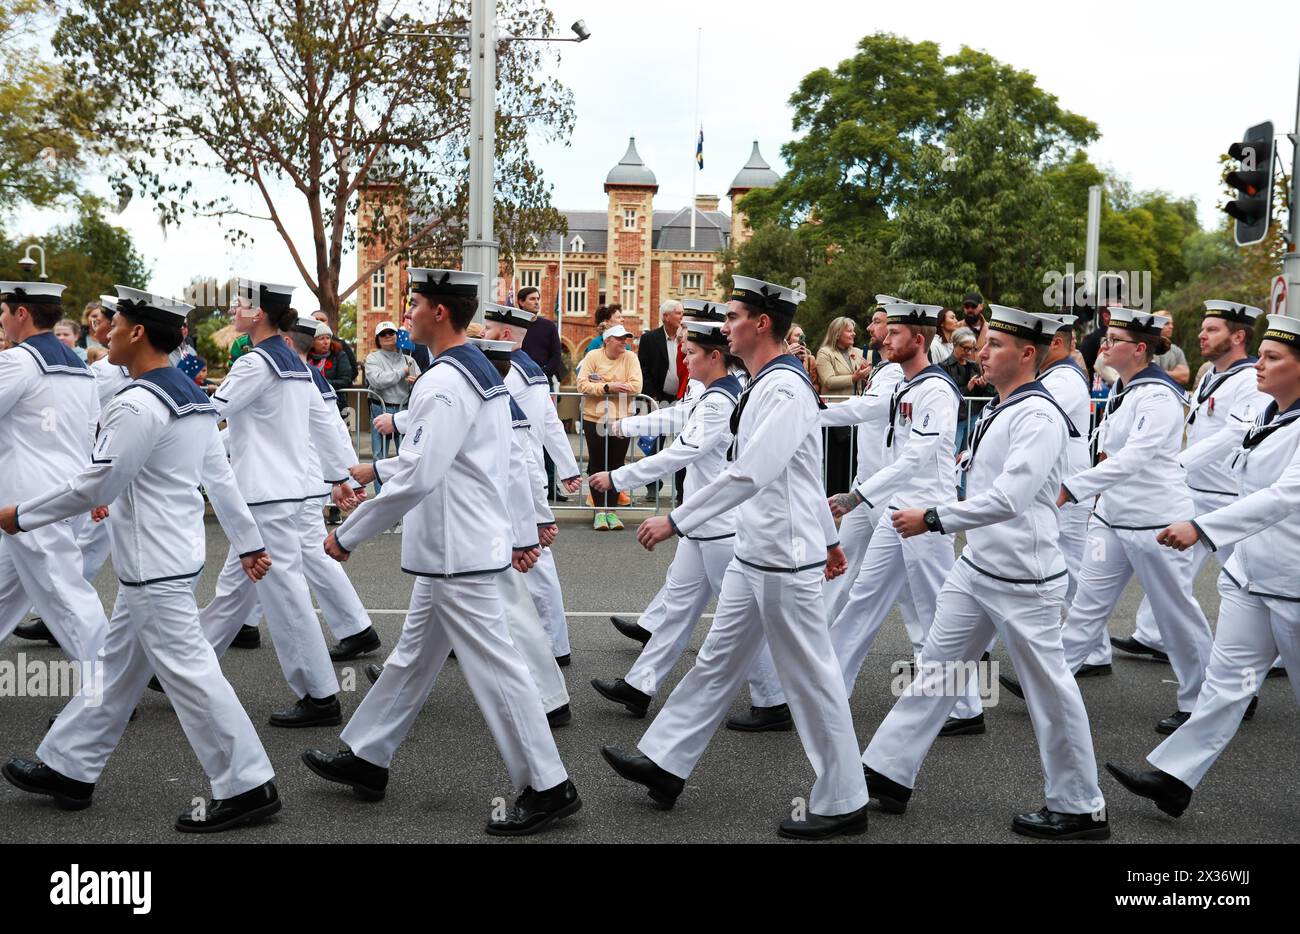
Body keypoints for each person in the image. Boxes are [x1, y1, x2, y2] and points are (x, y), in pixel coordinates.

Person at [306, 267, 581, 836]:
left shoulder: (445, 379)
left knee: (499, 671)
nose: (405, 316)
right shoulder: (478, 370)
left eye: (414, 305)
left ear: (438, 312)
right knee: (412, 659)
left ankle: (549, 786)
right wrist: (523, 528)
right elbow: (492, 460)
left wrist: (347, 533)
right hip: (457, 548)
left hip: (459, 551)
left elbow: (417, 475)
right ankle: (367, 756)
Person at [0, 285, 281, 833]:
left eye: (116, 322)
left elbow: (97, 482)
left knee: (193, 676)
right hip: (163, 559)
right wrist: (249, 543)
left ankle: (248, 785)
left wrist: (20, 515)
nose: (105, 330)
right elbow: (217, 479)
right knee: (114, 670)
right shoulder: (187, 395)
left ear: (136, 333)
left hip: (154, 565)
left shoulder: (137, 401)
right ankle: (69, 767)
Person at [601, 275, 869, 841]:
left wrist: (676, 519)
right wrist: (830, 539)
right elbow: (804, 472)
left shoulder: (784, 388)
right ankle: (666, 762)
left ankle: (845, 798)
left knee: (812, 680)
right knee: (717, 662)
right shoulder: (764, 383)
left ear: (761, 323)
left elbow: (752, 473)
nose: (725, 328)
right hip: (757, 552)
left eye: (734, 317)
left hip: (781, 559)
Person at [862, 305, 1107, 840]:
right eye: (984, 343)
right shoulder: (1004, 405)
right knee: (937, 668)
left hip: (1024, 576)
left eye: (995, 345)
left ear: (1026, 355)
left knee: (1050, 690)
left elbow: (1010, 498)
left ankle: (1080, 804)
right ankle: (887, 770)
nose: (982, 350)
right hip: (979, 567)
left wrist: (933, 517)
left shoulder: (1038, 416)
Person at [1107, 311, 1300, 818]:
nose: (1258, 364)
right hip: (1250, 576)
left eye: (1273, 358)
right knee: (1225, 684)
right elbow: (1227, 442)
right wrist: (1169, 464)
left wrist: (1204, 527)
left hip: (1292, 583)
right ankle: (1175, 778)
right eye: (1260, 354)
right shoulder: (1272, 414)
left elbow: (1285, 496)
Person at [1004, 307, 1212, 735]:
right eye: (1107, 336)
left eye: (1115, 339)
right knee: (1085, 609)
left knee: (1176, 615)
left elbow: (1135, 459)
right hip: (1112, 518)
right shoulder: (1124, 386)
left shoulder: (1158, 395)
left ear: (1139, 348)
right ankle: (1047, 682)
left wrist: (1071, 488)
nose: (1105, 343)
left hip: (1155, 521)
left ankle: (1203, 700)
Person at [589, 319, 786, 727]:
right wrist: (628, 424)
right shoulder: (712, 393)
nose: (684, 358)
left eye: (692, 353)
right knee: (677, 611)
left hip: (719, 526)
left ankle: (773, 701)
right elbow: (679, 416)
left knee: (741, 622)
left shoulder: (720, 401)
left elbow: (680, 453)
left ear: (715, 356)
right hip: (701, 524)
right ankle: (640, 685)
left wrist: (618, 477)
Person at [198, 279, 359, 727]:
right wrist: (338, 476)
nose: (234, 308)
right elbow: (323, 423)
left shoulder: (255, 363)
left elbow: (210, 414)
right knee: (235, 592)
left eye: (242, 304)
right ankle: (187, 665)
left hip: (265, 496)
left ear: (260, 314)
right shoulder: (292, 361)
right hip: (284, 491)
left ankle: (320, 695)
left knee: (284, 595)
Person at [827, 302, 983, 734]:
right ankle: (829, 687)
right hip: (897, 510)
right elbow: (867, 420)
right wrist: (814, 413)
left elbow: (918, 456)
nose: (885, 339)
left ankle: (967, 706)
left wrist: (857, 495)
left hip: (925, 514)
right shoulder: (905, 386)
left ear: (918, 339)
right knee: (864, 600)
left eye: (895, 333)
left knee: (937, 610)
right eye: (887, 331)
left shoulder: (937, 389)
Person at [1116, 301, 1270, 663]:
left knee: (1251, 580)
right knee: (1175, 564)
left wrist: (1178, 462)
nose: (1201, 334)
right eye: (1203, 328)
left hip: (1230, 494)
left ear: (1238, 336)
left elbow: (1234, 434)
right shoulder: (1213, 374)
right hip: (1198, 490)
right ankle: (1153, 634)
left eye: (1212, 329)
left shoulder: (1249, 378)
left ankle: (1270, 654)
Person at [0, 281, 108, 723]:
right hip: (64, 493)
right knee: (7, 591)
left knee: (66, 597)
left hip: (29, 501)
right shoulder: (80, 368)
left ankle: (109, 688)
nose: (2, 319)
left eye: (4, 311)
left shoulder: (17, 361)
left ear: (22, 313)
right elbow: (90, 432)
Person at [479, 303, 583, 664]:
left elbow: (520, 435)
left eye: (490, 328)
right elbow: (551, 423)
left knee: (532, 563)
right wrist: (568, 468)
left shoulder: (507, 372)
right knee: (495, 561)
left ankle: (554, 647)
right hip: (524, 474)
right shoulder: (532, 370)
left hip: (517, 477)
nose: (483, 332)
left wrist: (541, 511)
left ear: (506, 335)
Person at [818, 299, 923, 651]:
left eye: (884, 325)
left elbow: (868, 408)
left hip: (883, 489)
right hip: (865, 485)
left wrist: (815, 413)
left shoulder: (894, 373)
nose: (874, 330)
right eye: (880, 324)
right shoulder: (881, 369)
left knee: (904, 579)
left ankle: (929, 648)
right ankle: (818, 633)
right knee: (841, 559)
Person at [1035, 313, 1092, 626]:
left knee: (1070, 565)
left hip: (1067, 484)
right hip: (1057, 483)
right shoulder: (1051, 375)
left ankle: (1088, 647)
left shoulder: (1065, 379)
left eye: (1036, 340)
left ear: (1055, 343)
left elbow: (1036, 414)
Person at [575, 324, 642, 531]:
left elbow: (636, 386)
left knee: (616, 464)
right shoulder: (593, 356)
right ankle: (598, 511)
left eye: (626, 338)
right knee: (597, 464)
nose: (624, 342)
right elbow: (581, 385)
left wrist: (604, 384)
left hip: (622, 419)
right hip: (594, 417)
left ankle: (611, 511)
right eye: (620, 338)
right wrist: (609, 387)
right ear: (607, 340)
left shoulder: (631, 357)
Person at [637, 299, 685, 503]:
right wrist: (653, 397)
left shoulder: (687, 337)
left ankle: (682, 490)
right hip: (658, 398)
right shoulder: (650, 339)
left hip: (683, 397)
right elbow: (644, 369)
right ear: (666, 316)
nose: (682, 317)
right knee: (654, 445)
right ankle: (652, 486)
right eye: (679, 314)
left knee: (684, 445)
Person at [362, 320, 417, 494]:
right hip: (381, 409)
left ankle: (403, 496)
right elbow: (377, 380)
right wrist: (402, 373)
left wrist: (416, 382)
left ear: (397, 336)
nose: (387, 336)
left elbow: (422, 383)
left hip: (404, 410)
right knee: (380, 455)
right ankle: (381, 497)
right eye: (383, 334)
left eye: (391, 333)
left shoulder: (409, 359)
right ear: (378, 338)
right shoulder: (372, 358)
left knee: (407, 455)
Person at [816, 316, 869, 495]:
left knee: (853, 460)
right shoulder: (825, 353)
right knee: (835, 462)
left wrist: (866, 375)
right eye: (849, 330)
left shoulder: (857, 352)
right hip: (835, 416)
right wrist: (854, 377)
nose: (853, 333)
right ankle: (832, 498)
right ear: (837, 333)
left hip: (855, 415)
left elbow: (863, 377)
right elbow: (828, 381)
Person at [308, 323, 355, 411]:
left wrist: (321, 383)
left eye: (328, 338)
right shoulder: (306, 357)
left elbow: (346, 380)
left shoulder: (339, 355)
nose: (326, 342)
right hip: (312, 402)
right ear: (312, 342)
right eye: (321, 338)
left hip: (337, 403)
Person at [1152, 315, 1190, 387]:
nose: (1171, 326)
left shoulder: (1176, 351)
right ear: (1156, 325)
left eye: (1172, 323)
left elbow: (1184, 377)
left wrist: (1156, 372)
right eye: (1167, 323)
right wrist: (1173, 374)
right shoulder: (1146, 347)